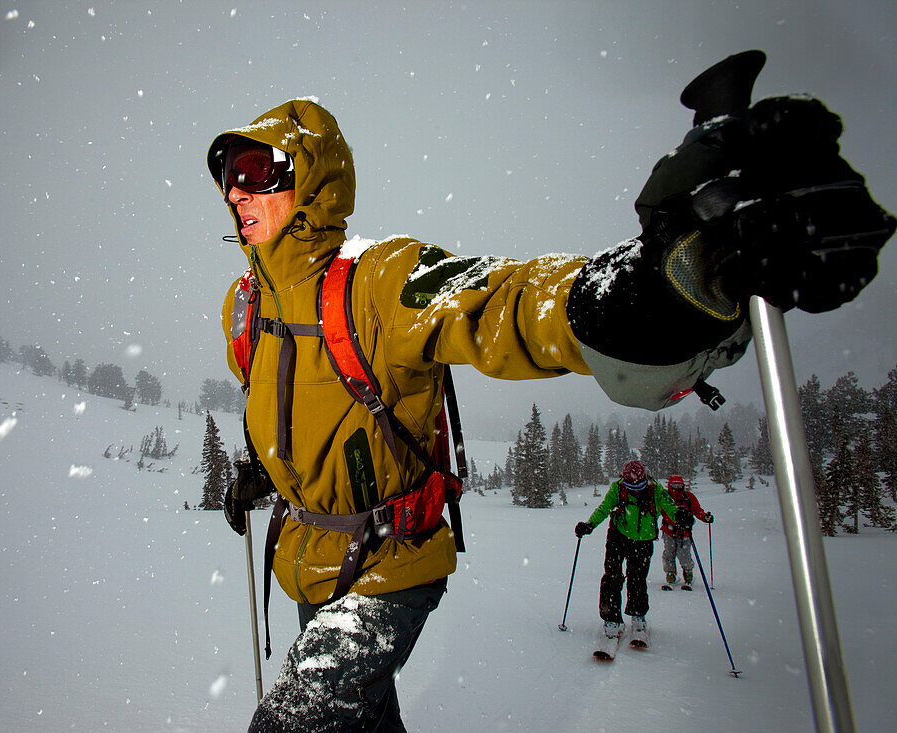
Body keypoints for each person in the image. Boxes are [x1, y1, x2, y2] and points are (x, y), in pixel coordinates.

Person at [208, 74, 890, 730]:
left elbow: (504, 299)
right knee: (364, 718)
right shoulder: (245, 308)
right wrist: (267, 471)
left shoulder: (378, 280)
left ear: (312, 178)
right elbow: (304, 409)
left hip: (390, 561)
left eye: (257, 168)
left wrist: (644, 290)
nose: (237, 189)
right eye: (227, 173)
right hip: (309, 561)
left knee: (298, 720)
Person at [575, 461, 683, 639]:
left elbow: (669, 506)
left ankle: (638, 615)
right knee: (612, 576)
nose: (633, 485)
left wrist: (680, 515)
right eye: (628, 481)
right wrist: (589, 525)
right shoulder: (618, 488)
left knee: (637, 578)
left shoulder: (655, 489)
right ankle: (611, 618)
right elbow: (604, 507)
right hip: (618, 537)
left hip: (643, 541)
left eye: (636, 481)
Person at [661, 475, 714, 586]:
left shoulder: (688, 497)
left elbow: (697, 510)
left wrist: (705, 517)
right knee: (668, 554)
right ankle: (670, 575)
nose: (676, 487)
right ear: (670, 485)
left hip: (685, 532)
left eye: (679, 485)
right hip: (668, 531)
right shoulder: (665, 497)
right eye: (674, 485)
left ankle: (688, 574)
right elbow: (657, 510)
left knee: (684, 554)